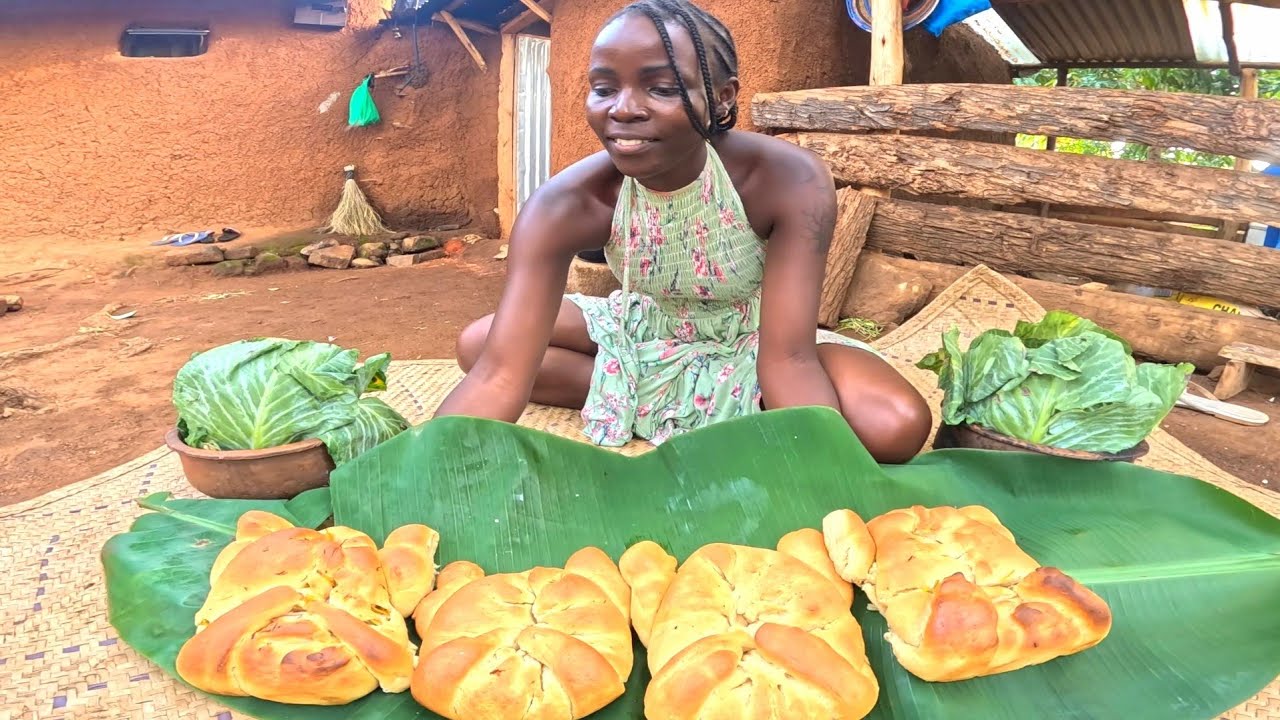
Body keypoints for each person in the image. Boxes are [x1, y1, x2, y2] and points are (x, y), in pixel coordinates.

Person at [435, 0, 932, 463]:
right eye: (604, 88)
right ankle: (688, 401)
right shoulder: (568, 204)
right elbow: (499, 375)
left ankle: (648, 397)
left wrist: (821, 471)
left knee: (894, 424)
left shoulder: (786, 180)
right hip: (644, 329)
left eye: (661, 88)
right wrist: (423, 471)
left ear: (721, 98)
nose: (623, 109)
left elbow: (789, 358)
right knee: (482, 346)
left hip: (757, 340)